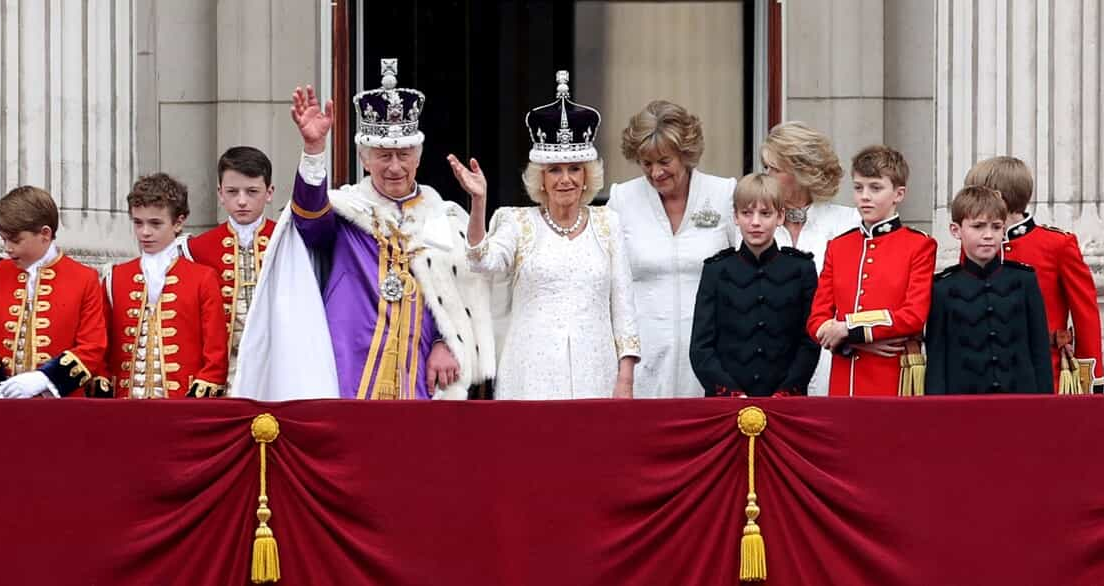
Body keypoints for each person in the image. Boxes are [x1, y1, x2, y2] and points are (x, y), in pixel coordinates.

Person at [231, 58, 494, 400]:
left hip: (420, 376)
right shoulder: (347, 212)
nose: (395, 167)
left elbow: (464, 295)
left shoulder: (442, 218)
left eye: (404, 155)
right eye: (383, 156)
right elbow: (310, 222)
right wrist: (313, 151)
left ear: (418, 156)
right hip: (348, 369)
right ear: (364, 159)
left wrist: (448, 342)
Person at [460, 70, 639, 400]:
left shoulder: (608, 223)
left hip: (596, 371)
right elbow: (481, 261)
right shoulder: (517, 223)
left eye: (574, 169)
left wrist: (625, 378)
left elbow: (624, 308)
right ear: (540, 179)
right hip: (529, 373)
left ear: (587, 176)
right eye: (554, 170)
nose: (565, 179)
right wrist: (478, 203)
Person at [605, 100, 735, 398]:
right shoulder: (622, 199)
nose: (655, 173)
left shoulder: (723, 193)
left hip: (712, 350)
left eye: (665, 161)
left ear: (686, 154)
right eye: (646, 163)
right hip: (643, 354)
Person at [963, 156, 1104, 393]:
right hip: (984, 372)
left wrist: (1090, 379)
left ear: (998, 197)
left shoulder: (1057, 244)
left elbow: (1086, 313)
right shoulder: (974, 244)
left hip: (1045, 372)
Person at [807, 145, 936, 397]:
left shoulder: (919, 245)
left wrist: (848, 328)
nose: (864, 196)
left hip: (893, 377)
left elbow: (913, 316)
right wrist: (856, 341)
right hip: (845, 377)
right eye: (858, 187)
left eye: (875, 188)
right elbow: (816, 321)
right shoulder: (839, 246)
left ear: (898, 194)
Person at [0, 185, 107, 398]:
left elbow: (92, 345)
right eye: (3, 239)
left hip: (60, 408)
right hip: (1, 403)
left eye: (15, 240)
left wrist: (45, 379)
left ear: (45, 234)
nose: (7, 247)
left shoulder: (84, 278)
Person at [98, 173, 228, 398]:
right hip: (123, 406)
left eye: (155, 223)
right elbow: (101, 346)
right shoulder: (115, 277)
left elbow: (215, 355)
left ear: (179, 222)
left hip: (182, 408)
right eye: (138, 223)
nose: (145, 232)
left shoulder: (203, 278)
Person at [689, 172, 819, 397]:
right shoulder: (716, 270)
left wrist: (786, 392)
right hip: (727, 402)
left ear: (780, 216)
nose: (755, 222)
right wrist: (731, 393)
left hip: (786, 402)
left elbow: (809, 342)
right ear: (735, 217)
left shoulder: (801, 269)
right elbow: (701, 347)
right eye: (747, 213)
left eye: (765, 213)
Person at [760, 121, 858, 396]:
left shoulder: (847, 222)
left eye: (773, 169)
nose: (765, 176)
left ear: (801, 172)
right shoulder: (756, 223)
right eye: (765, 167)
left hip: (830, 358)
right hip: (770, 359)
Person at [925, 185, 1053, 394]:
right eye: (978, 226)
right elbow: (937, 358)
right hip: (963, 404)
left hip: (1021, 399)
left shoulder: (1025, 280)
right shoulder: (943, 287)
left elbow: (1039, 351)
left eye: (996, 227)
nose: (988, 235)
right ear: (956, 230)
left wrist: (1045, 403)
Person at [184, 146, 276, 392]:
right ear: (220, 193)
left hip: (274, 361)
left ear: (269, 193)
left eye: (252, 191)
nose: (242, 201)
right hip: (222, 370)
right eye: (232, 192)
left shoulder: (286, 240)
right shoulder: (196, 249)